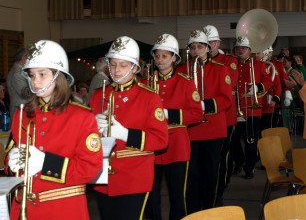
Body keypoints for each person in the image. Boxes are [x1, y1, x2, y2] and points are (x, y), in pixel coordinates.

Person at [6, 40, 103, 220]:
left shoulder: (81, 117)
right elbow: (11, 160)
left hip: (64, 210)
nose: (35, 81)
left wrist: (46, 163)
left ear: (59, 76)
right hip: (24, 209)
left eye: (42, 74)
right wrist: (11, 161)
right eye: (31, 75)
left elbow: (89, 169)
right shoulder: (22, 115)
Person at [89, 36, 168, 220]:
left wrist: (125, 134)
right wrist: (92, 127)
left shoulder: (149, 97)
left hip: (134, 178)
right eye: (113, 64)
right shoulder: (98, 95)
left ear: (134, 68)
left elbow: (161, 140)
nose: (116, 70)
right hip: (104, 178)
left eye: (123, 65)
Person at [144, 34, 202, 220]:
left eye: (165, 56)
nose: (160, 60)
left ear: (174, 58)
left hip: (177, 148)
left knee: (178, 197)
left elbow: (197, 114)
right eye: (157, 56)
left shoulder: (184, 82)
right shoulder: (145, 83)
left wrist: (170, 115)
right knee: (151, 197)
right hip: (152, 148)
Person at [177, 30, 232, 212]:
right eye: (192, 47)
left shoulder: (220, 69)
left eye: (200, 46)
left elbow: (226, 100)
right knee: (192, 175)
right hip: (190, 131)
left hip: (213, 130)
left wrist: (204, 105)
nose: (196, 50)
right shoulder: (181, 70)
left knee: (211, 173)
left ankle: (211, 209)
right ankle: (193, 211)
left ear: (208, 48)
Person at [203, 25, 239, 206]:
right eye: (205, 43)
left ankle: (219, 191)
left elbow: (228, 86)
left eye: (210, 42)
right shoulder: (197, 63)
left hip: (225, 117)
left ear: (218, 43)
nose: (208, 46)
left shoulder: (228, 61)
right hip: (202, 121)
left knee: (221, 159)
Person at [231, 36, 272, 179]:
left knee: (251, 140)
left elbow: (268, 82)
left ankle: (249, 168)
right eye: (238, 48)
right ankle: (239, 161)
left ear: (249, 50)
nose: (240, 50)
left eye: (243, 48)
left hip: (253, 110)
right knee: (233, 139)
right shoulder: (233, 65)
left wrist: (257, 87)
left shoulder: (259, 65)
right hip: (236, 109)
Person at [7, 48, 31, 118]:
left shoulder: (20, 71)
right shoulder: (17, 73)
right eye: (28, 57)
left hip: (22, 110)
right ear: (23, 58)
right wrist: (36, 86)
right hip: (19, 111)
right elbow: (25, 94)